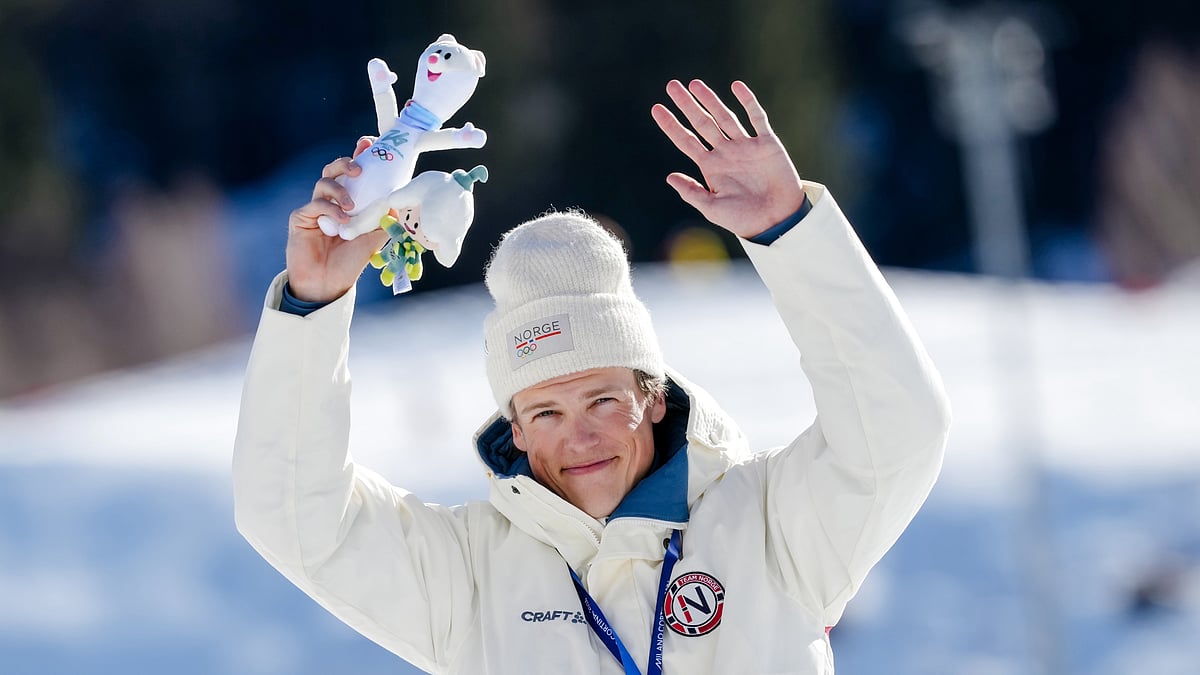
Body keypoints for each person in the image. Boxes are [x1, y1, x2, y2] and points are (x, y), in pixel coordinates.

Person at [233, 78, 951, 674]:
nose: (579, 436)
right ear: (513, 426)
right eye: (544, 411)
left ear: (653, 392)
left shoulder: (769, 523)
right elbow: (294, 516)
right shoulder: (470, 574)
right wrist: (313, 307)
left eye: (602, 399)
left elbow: (898, 427)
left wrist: (791, 231)